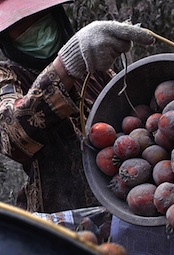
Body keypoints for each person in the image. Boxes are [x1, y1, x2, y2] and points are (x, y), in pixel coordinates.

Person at [0, 0, 154, 241]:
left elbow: (134, 123)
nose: (34, 29)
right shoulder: (7, 77)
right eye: (19, 26)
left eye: (39, 18)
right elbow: (13, 136)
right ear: (6, 39)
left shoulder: (96, 68)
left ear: (56, 15)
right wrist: (67, 64)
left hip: (122, 213)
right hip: (57, 225)